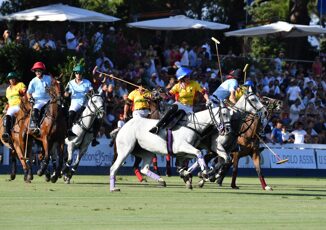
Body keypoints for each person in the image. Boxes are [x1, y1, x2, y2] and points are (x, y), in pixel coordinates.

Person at [149, 67, 210, 134]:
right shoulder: (177, 86)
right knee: (173, 108)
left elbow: (203, 92)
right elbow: (167, 96)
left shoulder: (194, 84)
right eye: (186, 76)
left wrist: (208, 100)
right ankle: (157, 126)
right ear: (182, 79)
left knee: (181, 114)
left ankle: (170, 132)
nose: (189, 77)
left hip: (189, 108)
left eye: (189, 76)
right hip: (179, 104)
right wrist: (160, 94)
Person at [64, 64, 99, 146]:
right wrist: (66, 92)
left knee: (96, 118)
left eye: (80, 73)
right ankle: (69, 131)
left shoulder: (87, 82)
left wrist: (89, 93)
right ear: (75, 74)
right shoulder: (70, 83)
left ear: (82, 74)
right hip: (75, 103)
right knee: (71, 114)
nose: (78, 75)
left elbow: (92, 92)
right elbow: (66, 95)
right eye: (77, 73)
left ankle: (94, 137)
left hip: (85, 103)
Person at [26, 62, 55, 136]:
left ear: (42, 71)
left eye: (39, 70)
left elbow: (55, 85)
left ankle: (66, 127)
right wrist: (30, 98)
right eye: (36, 71)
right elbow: (28, 92)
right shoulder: (33, 81)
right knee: (35, 110)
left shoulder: (48, 78)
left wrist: (52, 90)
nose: (37, 72)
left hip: (49, 99)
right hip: (38, 101)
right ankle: (36, 127)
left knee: (60, 108)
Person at [2, 72, 27, 142]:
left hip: (20, 105)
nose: (11, 80)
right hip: (11, 107)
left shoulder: (20, 84)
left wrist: (21, 92)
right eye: (10, 79)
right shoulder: (8, 89)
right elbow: (8, 101)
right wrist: (5, 108)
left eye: (13, 78)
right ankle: (7, 133)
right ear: (8, 80)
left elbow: (24, 92)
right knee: (8, 114)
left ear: (15, 79)